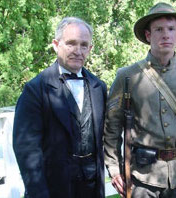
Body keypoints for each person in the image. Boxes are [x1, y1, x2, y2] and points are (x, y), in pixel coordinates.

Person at [104, 2, 176, 198]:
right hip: (142, 178)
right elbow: (112, 128)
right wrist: (114, 169)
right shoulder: (126, 76)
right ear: (148, 35)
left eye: (171, 29)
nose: (166, 35)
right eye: (159, 30)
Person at [13, 17, 107, 198]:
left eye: (84, 45)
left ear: (90, 49)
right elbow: (26, 149)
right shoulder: (36, 89)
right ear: (56, 45)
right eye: (71, 44)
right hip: (54, 187)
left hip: (91, 187)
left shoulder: (99, 87)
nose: (78, 51)